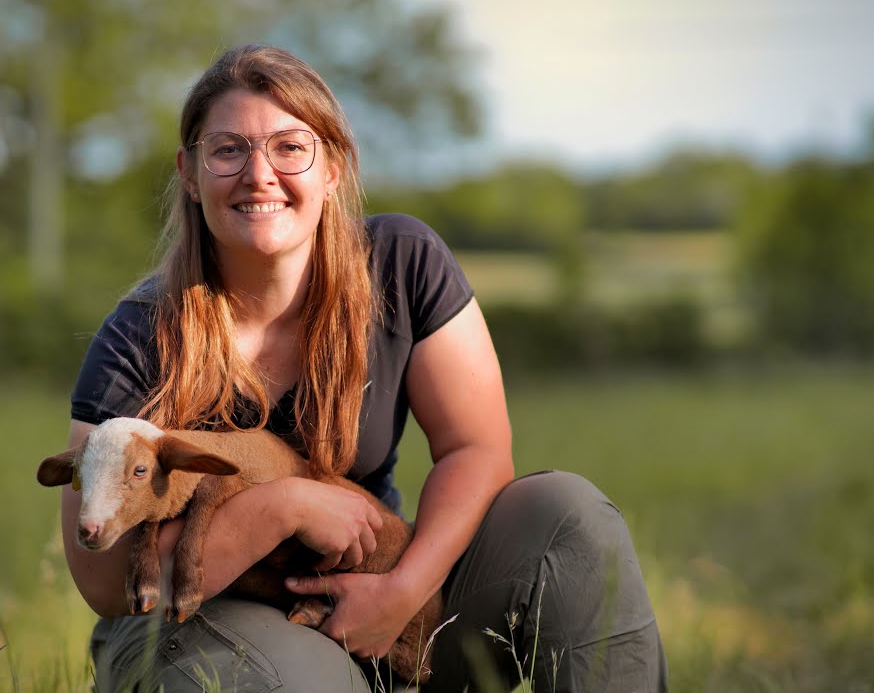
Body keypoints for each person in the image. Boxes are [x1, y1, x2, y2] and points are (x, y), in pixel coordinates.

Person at [60, 43, 667, 692]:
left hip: (382, 587)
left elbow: (476, 449)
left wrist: (402, 592)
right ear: (190, 171)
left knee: (566, 516)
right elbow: (102, 583)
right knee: (279, 681)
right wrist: (284, 505)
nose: (259, 174)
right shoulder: (142, 332)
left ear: (333, 166)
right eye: (228, 149)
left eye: (290, 147)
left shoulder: (402, 263)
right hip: (204, 617)